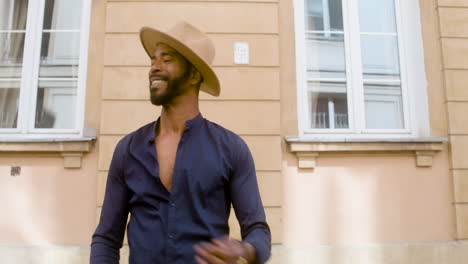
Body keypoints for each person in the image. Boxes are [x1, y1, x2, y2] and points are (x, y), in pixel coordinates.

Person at [90, 21, 271, 264]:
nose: (154, 67)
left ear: (194, 74)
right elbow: (106, 239)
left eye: (167, 59)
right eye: (153, 59)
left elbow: (259, 231)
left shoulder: (232, 149)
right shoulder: (128, 150)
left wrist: (244, 251)